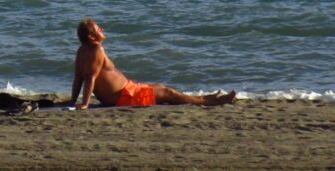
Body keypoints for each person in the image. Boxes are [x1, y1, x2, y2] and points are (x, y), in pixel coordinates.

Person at [70, 18, 237, 109]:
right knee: (167, 93)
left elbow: (78, 79)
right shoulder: (96, 49)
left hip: (127, 91)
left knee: (159, 86)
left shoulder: (81, 51)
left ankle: (202, 98)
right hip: (125, 97)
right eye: (99, 29)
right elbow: (89, 78)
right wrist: (84, 104)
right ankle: (210, 103)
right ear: (92, 37)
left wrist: (72, 101)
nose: (102, 30)